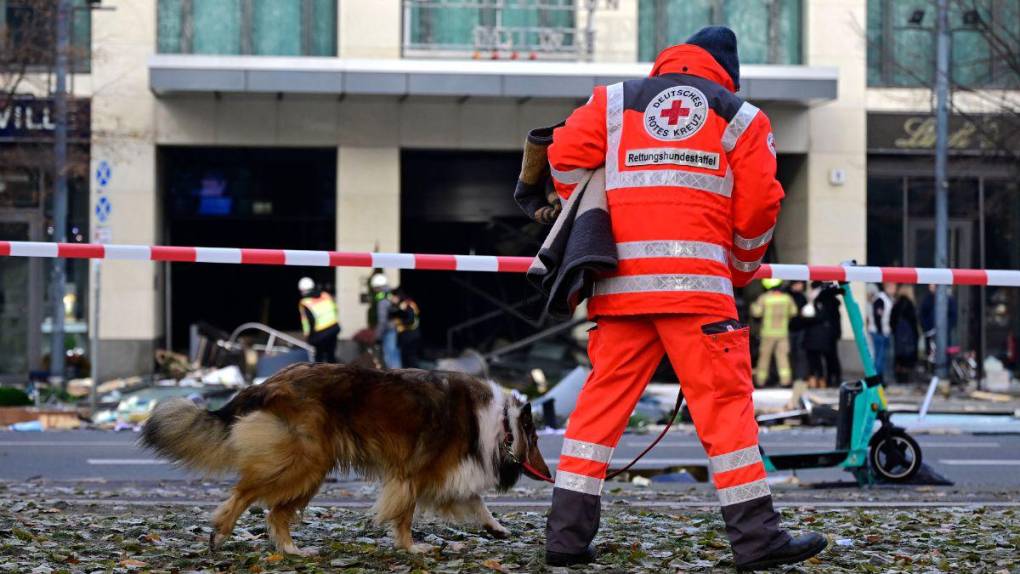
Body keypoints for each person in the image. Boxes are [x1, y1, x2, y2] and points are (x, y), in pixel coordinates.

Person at [542, 26, 826, 570]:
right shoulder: (742, 116)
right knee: (724, 413)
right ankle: (756, 539)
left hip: (620, 289)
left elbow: (562, 159)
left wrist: (599, 214)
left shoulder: (614, 101)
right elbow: (761, 204)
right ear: (726, 74)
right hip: (699, 291)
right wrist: (739, 267)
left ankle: (566, 540)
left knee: (597, 413)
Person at [750, 278, 798, 387]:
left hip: (768, 333)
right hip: (782, 333)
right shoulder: (787, 298)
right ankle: (785, 381)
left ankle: (760, 382)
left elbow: (757, 313)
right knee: (783, 357)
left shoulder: (764, 298)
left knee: (764, 357)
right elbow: (794, 312)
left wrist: (753, 306)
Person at [802, 282, 842, 388]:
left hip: (822, 335)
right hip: (827, 334)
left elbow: (817, 317)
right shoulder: (830, 301)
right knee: (829, 358)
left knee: (823, 359)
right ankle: (829, 379)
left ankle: (823, 380)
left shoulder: (820, 301)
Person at [297, 277, 340, 363]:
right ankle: (334, 374)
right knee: (331, 355)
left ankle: (320, 374)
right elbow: (335, 308)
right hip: (334, 328)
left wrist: (308, 336)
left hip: (321, 333)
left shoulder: (305, 302)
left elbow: (308, 321)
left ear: (301, 290)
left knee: (319, 358)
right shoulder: (325, 295)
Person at [369, 273, 402, 369]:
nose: (374, 290)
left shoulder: (382, 299)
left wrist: (377, 336)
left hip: (388, 330)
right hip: (394, 328)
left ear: (377, 287)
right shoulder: (390, 295)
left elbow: (382, 320)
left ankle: (396, 379)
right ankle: (400, 376)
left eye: (374, 288)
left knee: (389, 356)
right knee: (394, 354)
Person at [891, 284, 920, 383]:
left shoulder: (896, 303)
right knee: (908, 358)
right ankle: (906, 379)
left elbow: (892, 321)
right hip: (909, 337)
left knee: (899, 358)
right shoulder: (910, 304)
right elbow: (913, 322)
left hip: (898, 337)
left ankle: (899, 378)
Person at [867, 283, 895, 382]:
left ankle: (879, 379)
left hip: (882, 332)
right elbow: (878, 317)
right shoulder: (880, 299)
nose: (894, 289)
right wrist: (881, 332)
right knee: (879, 358)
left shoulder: (886, 299)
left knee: (881, 358)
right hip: (879, 332)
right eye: (892, 286)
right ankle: (877, 380)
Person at [389, 287, 422, 368]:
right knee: (408, 358)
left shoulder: (406, 305)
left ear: (398, 296)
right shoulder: (404, 304)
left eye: (392, 296)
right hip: (410, 335)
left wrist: (397, 322)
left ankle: (415, 378)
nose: (391, 299)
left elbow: (410, 320)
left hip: (410, 336)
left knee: (410, 359)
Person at [786, 281, 809, 384]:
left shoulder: (802, 297)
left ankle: (799, 377)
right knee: (790, 354)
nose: (800, 286)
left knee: (800, 354)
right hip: (789, 329)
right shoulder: (787, 296)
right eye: (798, 284)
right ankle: (792, 377)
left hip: (800, 329)